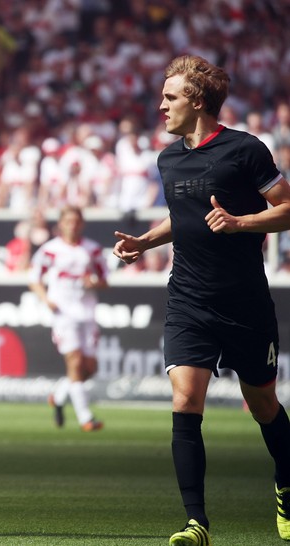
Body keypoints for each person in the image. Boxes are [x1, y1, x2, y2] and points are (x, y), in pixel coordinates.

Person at [113, 55, 290, 546]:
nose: (161, 104)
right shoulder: (168, 158)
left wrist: (240, 224)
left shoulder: (245, 150)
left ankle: (287, 483)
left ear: (196, 101)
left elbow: (287, 209)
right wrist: (146, 242)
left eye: (169, 97)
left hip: (245, 303)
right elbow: (185, 217)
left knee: (264, 407)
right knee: (186, 400)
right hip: (188, 299)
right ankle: (197, 523)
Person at [29, 205, 107, 433]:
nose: (72, 225)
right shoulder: (50, 250)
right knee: (74, 361)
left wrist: (94, 283)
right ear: (61, 224)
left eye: (76, 221)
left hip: (87, 312)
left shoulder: (92, 250)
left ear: (81, 224)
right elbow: (34, 278)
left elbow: (105, 279)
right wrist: (46, 299)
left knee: (89, 368)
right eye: (68, 221)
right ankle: (86, 418)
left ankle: (60, 396)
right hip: (63, 313)